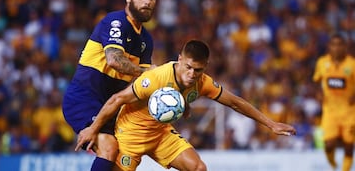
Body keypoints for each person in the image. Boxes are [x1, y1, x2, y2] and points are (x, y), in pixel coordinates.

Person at [75, 39, 296, 171]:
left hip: (161, 133)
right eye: (188, 67)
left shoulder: (202, 82)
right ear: (180, 59)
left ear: (205, 67)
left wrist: (270, 124)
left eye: (198, 70)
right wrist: (93, 130)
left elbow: (235, 103)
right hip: (131, 134)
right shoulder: (156, 78)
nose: (192, 75)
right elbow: (117, 100)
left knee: (198, 168)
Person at [62, 0, 157, 171]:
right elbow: (114, 60)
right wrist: (148, 72)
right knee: (109, 146)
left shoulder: (146, 39)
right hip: (84, 99)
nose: (148, 1)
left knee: (123, 159)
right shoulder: (115, 21)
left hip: (110, 108)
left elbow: (139, 84)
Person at [313, 34, 355, 171]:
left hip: (349, 111)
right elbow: (316, 80)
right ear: (329, 47)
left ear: (345, 47)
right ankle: (333, 164)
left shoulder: (352, 64)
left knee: (349, 146)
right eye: (333, 44)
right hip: (330, 110)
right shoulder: (322, 62)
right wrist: (318, 93)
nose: (336, 48)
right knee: (329, 144)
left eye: (339, 44)